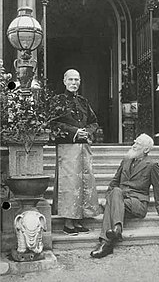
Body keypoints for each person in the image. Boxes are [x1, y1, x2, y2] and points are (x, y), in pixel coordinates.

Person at [90, 133, 159, 258]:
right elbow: (114, 182)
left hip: (137, 203)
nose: (134, 145)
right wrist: (107, 198)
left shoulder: (152, 165)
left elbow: (158, 188)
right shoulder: (126, 160)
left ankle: (106, 242)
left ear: (146, 149)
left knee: (113, 202)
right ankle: (115, 232)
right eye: (135, 142)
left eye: (138, 144)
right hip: (120, 200)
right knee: (115, 191)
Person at [53, 69, 100, 235]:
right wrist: (74, 132)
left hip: (84, 147)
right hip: (67, 148)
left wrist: (87, 131)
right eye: (71, 80)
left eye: (77, 80)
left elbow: (94, 122)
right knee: (70, 184)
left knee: (85, 183)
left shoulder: (83, 101)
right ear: (64, 81)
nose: (74, 83)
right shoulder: (57, 101)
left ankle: (79, 220)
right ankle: (68, 223)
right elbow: (54, 123)